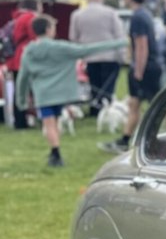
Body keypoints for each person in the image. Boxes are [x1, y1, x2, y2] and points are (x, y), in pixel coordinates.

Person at [15, 14, 127, 167]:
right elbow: (87, 49)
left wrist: (21, 100)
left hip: (43, 94)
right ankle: (55, 152)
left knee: (49, 123)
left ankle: (55, 152)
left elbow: (23, 77)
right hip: (62, 94)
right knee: (57, 121)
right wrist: (120, 43)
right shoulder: (61, 47)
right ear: (48, 29)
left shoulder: (29, 51)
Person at [106, 0, 164, 152]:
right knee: (137, 103)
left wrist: (138, 70)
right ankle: (126, 138)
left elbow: (141, 45)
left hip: (144, 67)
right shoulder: (145, 14)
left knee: (155, 104)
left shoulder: (138, 17)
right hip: (150, 65)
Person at [69, 0, 126, 115]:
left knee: (94, 84)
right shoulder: (111, 12)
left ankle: (95, 108)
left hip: (89, 56)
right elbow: (119, 35)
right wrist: (122, 56)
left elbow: (73, 37)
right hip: (110, 55)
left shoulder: (77, 15)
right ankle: (107, 107)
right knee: (108, 85)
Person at [4, 0, 39, 129]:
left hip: (14, 60)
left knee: (19, 92)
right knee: (30, 91)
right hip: (25, 59)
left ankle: (20, 121)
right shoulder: (30, 18)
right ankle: (36, 118)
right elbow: (34, 37)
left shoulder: (15, 19)